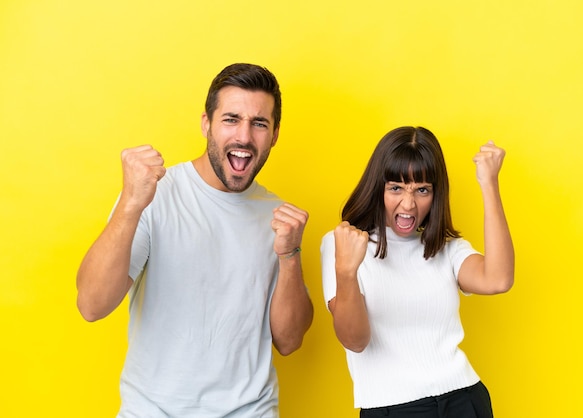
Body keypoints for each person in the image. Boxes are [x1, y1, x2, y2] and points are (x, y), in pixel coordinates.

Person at [77, 63, 314, 417]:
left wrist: (290, 254)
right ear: (207, 123)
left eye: (259, 123)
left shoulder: (280, 218)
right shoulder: (152, 195)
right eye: (231, 119)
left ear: (275, 133)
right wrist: (129, 204)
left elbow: (290, 341)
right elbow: (92, 305)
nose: (245, 137)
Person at [321, 126, 514, 417]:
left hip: (464, 400)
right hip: (392, 408)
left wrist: (489, 184)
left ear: (435, 194)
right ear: (378, 188)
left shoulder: (444, 248)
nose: (408, 204)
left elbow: (498, 279)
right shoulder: (344, 244)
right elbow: (355, 340)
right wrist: (346, 271)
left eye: (422, 190)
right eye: (396, 188)